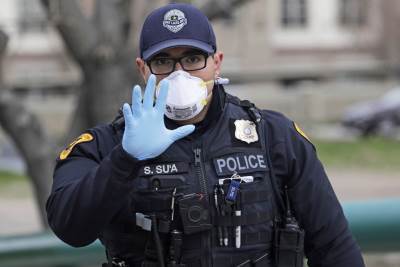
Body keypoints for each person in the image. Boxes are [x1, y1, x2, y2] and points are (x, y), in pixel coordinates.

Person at [47, 3, 365, 267]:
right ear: (143, 70)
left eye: (192, 59)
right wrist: (124, 161)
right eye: (163, 61)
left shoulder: (275, 137)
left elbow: (334, 247)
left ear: (216, 63)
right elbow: (70, 228)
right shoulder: (106, 146)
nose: (179, 73)